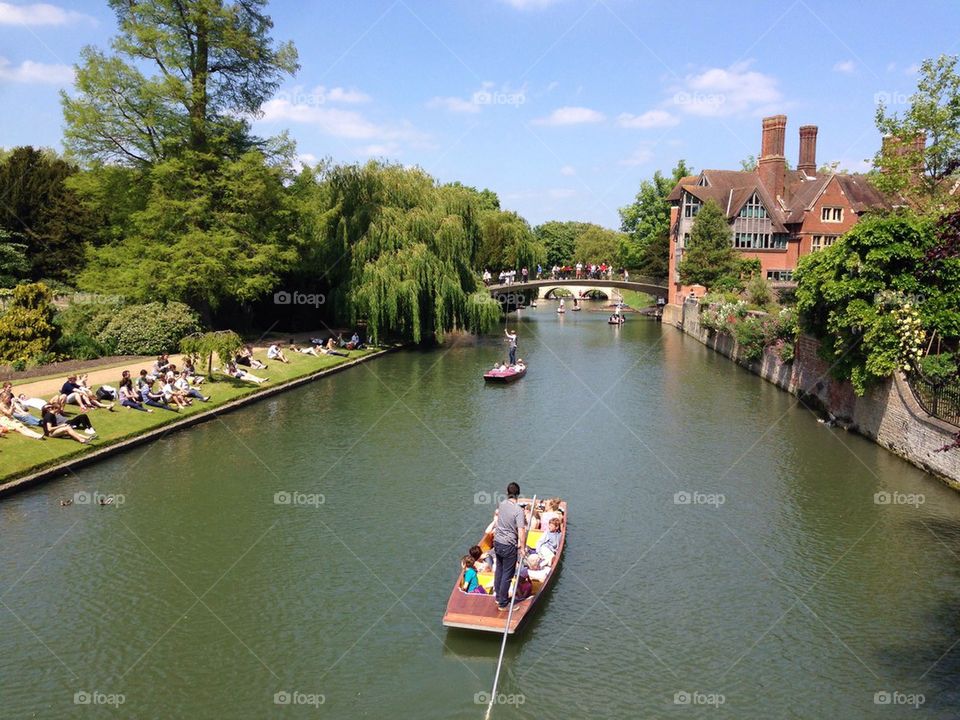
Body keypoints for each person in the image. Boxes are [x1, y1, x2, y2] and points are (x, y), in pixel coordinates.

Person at [492, 482, 527, 611]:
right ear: (518, 494)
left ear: (507, 493)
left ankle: (497, 598)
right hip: (508, 545)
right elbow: (521, 530)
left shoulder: (501, 505)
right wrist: (522, 548)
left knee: (499, 570)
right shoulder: (518, 510)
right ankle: (503, 604)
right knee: (507, 574)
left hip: (497, 542)